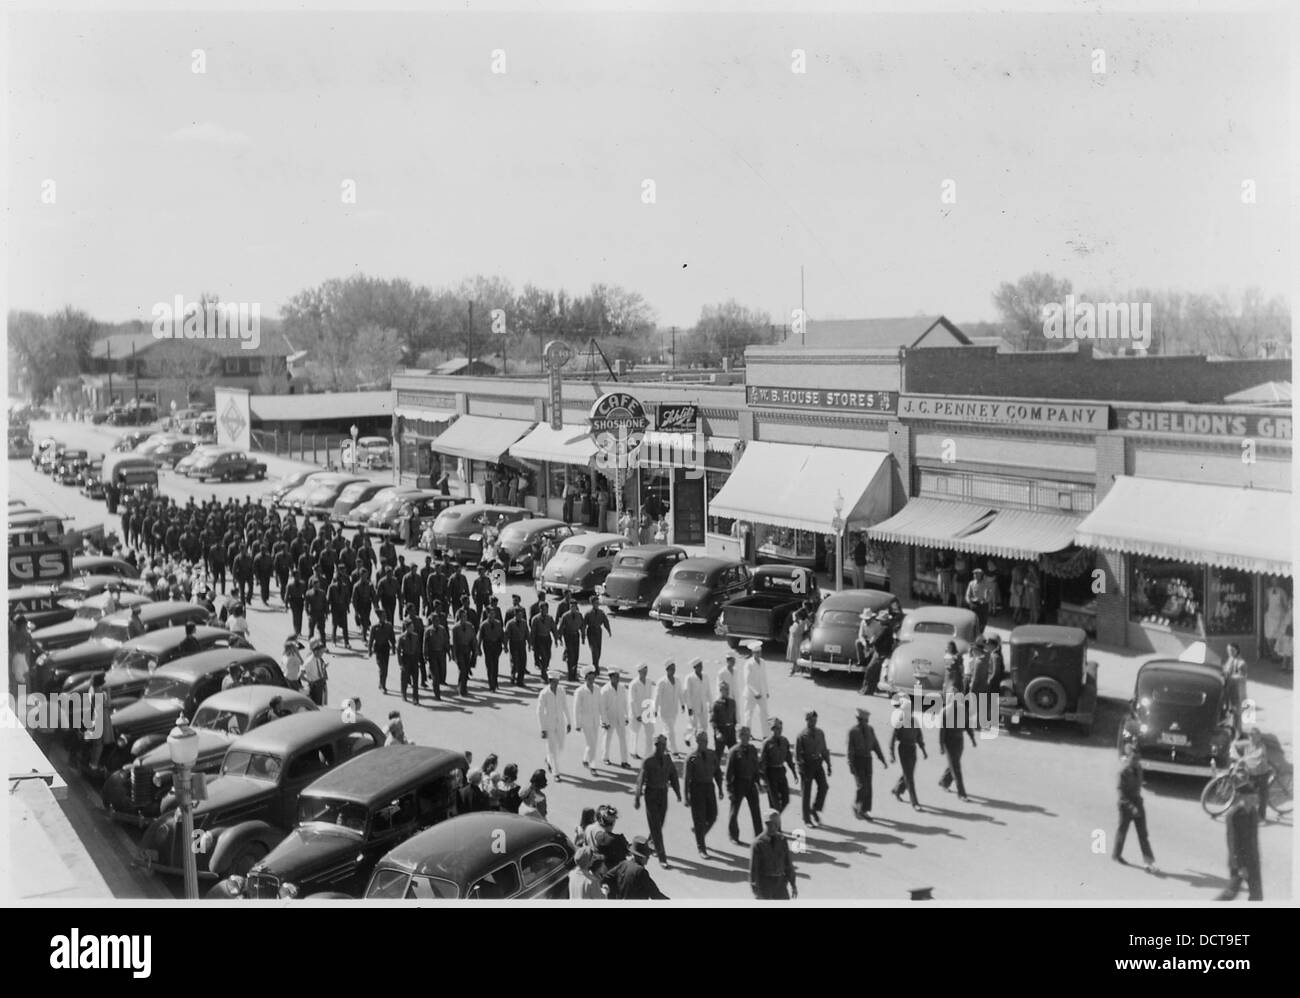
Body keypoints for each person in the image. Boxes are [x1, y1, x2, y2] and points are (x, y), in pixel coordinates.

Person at [633, 733, 681, 867]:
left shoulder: (667, 759)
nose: (662, 748)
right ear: (655, 745)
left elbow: (673, 775)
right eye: (659, 745)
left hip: (663, 793)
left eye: (664, 745)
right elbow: (640, 780)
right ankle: (662, 857)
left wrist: (678, 793)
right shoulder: (648, 761)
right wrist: (637, 798)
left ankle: (650, 843)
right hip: (651, 794)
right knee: (656, 826)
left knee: (659, 823)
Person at [1216, 781, 1263, 901]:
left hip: (1253, 861)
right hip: (1239, 863)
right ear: (1243, 797)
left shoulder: (1253, 812)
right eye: (1252, 796)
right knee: (1229, 895)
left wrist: (1257, 859)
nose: (1256, 799)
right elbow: (1232, 843)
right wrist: (1241, 867)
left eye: (1256, 796)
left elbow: (1254, 839)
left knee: (1257, 895)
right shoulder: (1233, 815)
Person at [1113, 747, 1156, 873]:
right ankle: (1117, 854)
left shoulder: (1139, 769)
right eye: (1133, 758)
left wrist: (1137, 805)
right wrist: (1131, 808)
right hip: (1126, 805)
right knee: (1122, 831)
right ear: (1128, 758)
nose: (1136, 761)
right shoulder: (1123, 772)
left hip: (1138, 803)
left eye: (1138, 759)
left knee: (1143, 834)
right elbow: (1121, 793)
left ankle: (1148, 862)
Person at [684, 731, 724, 858]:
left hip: (709, 787)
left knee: (713, 815)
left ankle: (699, 834)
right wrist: (686, 796)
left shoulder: (712, 755)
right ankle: (701, 848)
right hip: (696, 788)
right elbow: (686, 779)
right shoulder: (692, 757)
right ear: (696, 742)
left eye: (705, 741)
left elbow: (717, 772)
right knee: (699, 819)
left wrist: (720, 789)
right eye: (700, 741)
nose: (703, 743)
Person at [725, 725, 764, 844]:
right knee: (734, 811)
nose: (745, 737)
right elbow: (728, 773)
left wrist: (758, 783)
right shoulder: (734, 751)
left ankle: (759, 836)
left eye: (747, 735)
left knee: (756, 810)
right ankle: (733, 835)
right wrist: (729, 790)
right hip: (738, 783)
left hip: (751, 782)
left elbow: (755, 767)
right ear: (738, 736)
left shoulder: (752, 749)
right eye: (743, 735)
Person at [847, 708, 888, 820]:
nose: (864, 722)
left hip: (868, 760)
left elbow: (875, 745)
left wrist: (882, 759)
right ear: (859, 720)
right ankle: (856, 805)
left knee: (868, 786)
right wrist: (850, 764)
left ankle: (864, 810)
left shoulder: (870, 730)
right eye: (862, 720)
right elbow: (850, 750)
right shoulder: (853, 731)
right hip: (857, 760)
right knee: (862, 785)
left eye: (865, 720)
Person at [938, 689, 979, 800]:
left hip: (959, 741)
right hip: (949, 742)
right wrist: (941, 746)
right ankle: (961, 794)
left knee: (954, 763)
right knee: (956, 767)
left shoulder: (962, 710)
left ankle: (944, 781)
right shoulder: (945, 712)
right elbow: (942, 731)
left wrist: (973, 739)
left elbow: (967, 726)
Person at [889, 695, 928, 810]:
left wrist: (924, 750)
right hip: (903, 749)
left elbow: (919, 736)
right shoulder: (899, 722)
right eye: (907, 710)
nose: (909, 712)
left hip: (913, 749)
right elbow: (892, 739)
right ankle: (915, 802)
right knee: (909, 776)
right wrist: (892, 754)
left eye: (910, 710)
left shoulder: (914, 721)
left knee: (909, 773)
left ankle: (897, 789)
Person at [750, 810, 798, 900]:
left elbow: (788, 864)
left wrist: (793, 884)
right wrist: (756, 890)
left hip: (780, 884)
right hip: (765, 884)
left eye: (776, 824)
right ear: (765, 824)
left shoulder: (782, 840)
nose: (773, 827)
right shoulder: (758, 844)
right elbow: (754, 870)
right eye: (769, 824)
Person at [795, 710, 832, 827]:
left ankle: (814, 808)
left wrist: (829, 764)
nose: (813, 722)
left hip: (818, 763)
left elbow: (824, 750)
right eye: (811, 720)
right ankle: (806, 819)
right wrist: (800, 768)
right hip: (807, 765)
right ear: (806, 720)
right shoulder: (801, 736)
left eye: (815, 720)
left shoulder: (820, 733)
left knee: (824, 786)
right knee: (806, 793)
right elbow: (797, 755)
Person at [603, 837, 668, 900]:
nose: (648, 858)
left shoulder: (623, 864)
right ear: (642, 857)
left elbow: (607, 877)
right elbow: (655, 894)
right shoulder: (641, 871)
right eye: (647, 855)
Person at [536, 672, 570, 781]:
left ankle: (548, 760)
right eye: (553, 682)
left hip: (560, 723)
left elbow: (565, 706)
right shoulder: (544, 693)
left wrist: (569, 721)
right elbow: (539, 712)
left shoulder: (561, 691)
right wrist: (542, 729)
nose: (555, 684)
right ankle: (556, 773)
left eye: (557, 682)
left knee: (560, 746)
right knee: (552, 750)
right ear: (550, 682)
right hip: (549, 724)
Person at [760, 718, 798, 814]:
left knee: (786, 799)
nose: (778, 731)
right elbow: (761, 762)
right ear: (771, 729)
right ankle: (775, 824)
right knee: (774, 802)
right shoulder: (767, 743)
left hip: (781, 771)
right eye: (776, 728)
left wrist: (794, 773)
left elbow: (789, 758)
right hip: (770, 773)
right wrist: (763, 779)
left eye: (780, 728)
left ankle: (773, 820)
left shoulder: (784, 741)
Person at [598, 669, 630, 768]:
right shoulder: (605, 690)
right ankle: (605, 758)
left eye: (618, 676)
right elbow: (601, 707)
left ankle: (624, 761)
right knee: (607, 739)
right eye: (616, 676)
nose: (618, 678)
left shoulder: (621, 688)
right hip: (609, 718)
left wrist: (626, 716)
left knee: (623, 740)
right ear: (611, 677)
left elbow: (625, 703)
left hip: (620, 717)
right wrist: (604, 721)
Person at [573, 666, 602, 770]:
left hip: (595, 721)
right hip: (586, 722)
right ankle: (592, 766)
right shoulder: (580, 691)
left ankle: (585, 759)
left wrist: (604, 720)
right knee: (592, 744)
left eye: (593, 678)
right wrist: (577, 724)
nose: (591, 681)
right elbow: (576, 709)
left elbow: (601, 705)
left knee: (593, 743)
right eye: (589, 679)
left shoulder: (598, 689)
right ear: (585, 679)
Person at [653, 660, 684, 755]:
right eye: (671, 669)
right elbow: (657, 696)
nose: (673, 670)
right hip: (665, 711)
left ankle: (663, 744)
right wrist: (655, 709)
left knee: (667, 730)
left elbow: (680, 693)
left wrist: (682, 704)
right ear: (667, 670)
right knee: (671, 731)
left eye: (674, 669)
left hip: (674, 710)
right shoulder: (662, 682)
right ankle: (674, 750)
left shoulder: (677, 680)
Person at [742, 642, 770, 737]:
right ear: (753, 653)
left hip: (761, 693)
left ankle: (766, 735)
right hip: (750, 694)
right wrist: (755, 692)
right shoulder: (748, 664)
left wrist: (766, 691)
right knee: (748, 714)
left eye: (760, 652)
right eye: (756, 652)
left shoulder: (763, 662)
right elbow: (748, 681)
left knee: (764, 714)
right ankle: (747, 734)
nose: (758, 654)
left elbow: (764, 678)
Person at [627, 662, 654, 760]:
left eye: (646, 671)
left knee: (650, 732)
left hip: (646, 711)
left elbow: (650, 696)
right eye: (643, 671)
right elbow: (632, 700)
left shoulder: (649, 681)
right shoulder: (633, 684)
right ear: (639, 672)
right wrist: (637, 714)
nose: (645, 673)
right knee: (634, 732)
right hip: (636, 712)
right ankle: (633, 751)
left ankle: (649, 753)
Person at [1222, 643, 1249, 730]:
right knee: (1230, 711)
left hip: (1237, 691)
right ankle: (1232, 730)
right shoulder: (1230, 659)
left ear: (1237, 650)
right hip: (1229, 689)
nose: (1230, 652)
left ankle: (1238, 732)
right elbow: (1226, 669)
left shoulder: (1241, 663)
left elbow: (1242, 676)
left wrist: (1228, 676)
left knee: (1237, 713)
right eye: (1229, 650)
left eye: (1232, 650)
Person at [583, 595, 612, 674]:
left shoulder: (601, 613)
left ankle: (595, 665)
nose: (597, 604)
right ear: (592, 604)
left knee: (598, 651)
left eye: (598, 603)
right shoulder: (588, 613)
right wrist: (583, 635)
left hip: (598, 632)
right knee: (594, 651)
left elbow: (606, 622)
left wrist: (609, 630)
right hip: (591, 631)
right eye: (595, 603)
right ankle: (595, 667)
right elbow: (584, 625)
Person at [711, 679, 738, 760]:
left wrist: (736, 728)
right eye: (725, 689)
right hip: (721, 730)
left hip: (731, 730)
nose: (727, 691)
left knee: (734, 753)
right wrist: (717, 732)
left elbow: (734, 718)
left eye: (727, 689)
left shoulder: (732, 702)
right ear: (720, 690)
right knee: (718, 755)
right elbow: (713, 720)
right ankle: (716, 771)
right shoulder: (716, 704)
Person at [303, 638, 329, 706]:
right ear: (316, 650)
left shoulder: (317, 657)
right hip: (315, 685)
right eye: (321, 652)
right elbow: (301, 673)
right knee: (316, 705)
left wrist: (323, 667)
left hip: (320, 682)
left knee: (321, 703)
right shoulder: (309, 660)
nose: (322, 654)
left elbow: (318, 667)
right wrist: (309, 681)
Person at [785, 608, 808, 677]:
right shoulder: (799, 623)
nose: (795, 618)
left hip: (797, 641)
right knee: (795, 655)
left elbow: (794, 631)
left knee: (796, 655)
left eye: (797, 616)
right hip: (794, 640)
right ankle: (798, 668)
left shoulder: (802, 623)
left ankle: (794, 670)